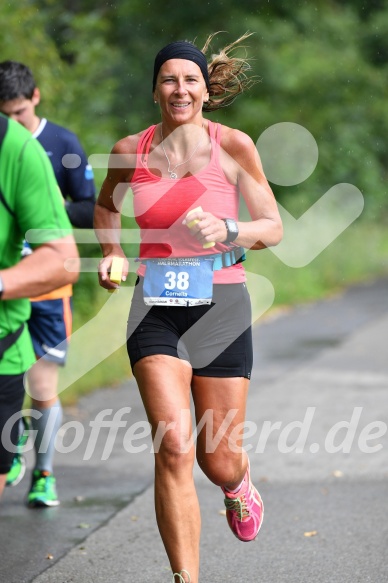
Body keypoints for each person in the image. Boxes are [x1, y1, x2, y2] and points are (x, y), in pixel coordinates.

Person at [94, 34, 283, 583]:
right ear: (155, 90)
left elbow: (271, 226)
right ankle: (186, 577)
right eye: (169, 79)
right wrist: (111, 252)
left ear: (206, 91)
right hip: (157, 306)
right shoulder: (132, 150)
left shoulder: (234, 146)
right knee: (173, 445)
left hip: (222, 306)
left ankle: (238, 481)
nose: (180, 89)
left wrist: (231, 229)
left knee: (215, 458)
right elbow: (106, 205)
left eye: (190, 79)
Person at [0, 60, 95, 507]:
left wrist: (53, 206)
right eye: (5, 112)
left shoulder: (62, 143)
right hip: (8, 289)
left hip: (48, 288)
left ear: (34, 98)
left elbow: (91, 208)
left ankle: (44, 473)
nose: (12, 120)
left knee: (41, 387)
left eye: (18, 111)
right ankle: (11, 453)